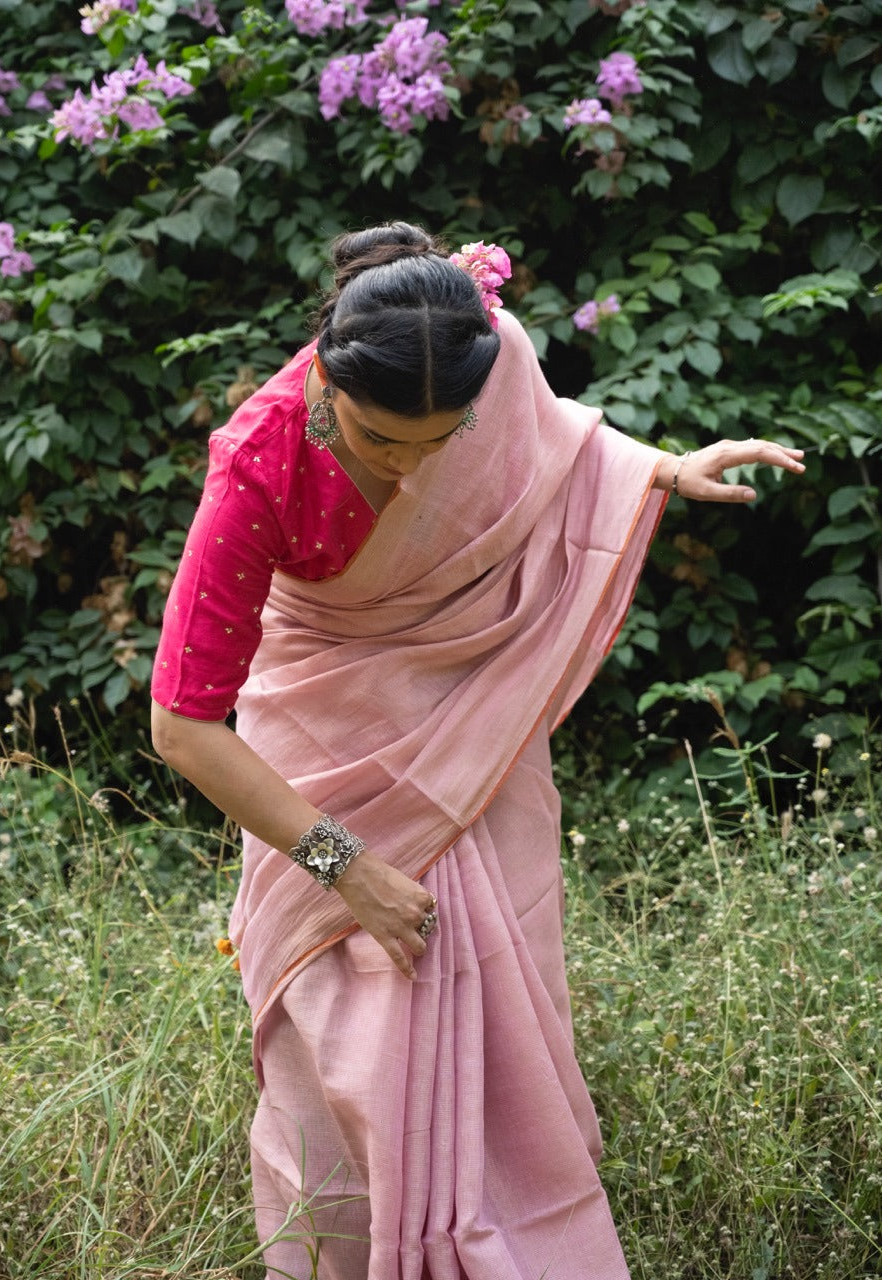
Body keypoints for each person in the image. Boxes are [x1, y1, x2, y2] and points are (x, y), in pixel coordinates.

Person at [150, 221, 805, 1280]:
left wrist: (665, 471)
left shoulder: (477, 351)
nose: (407, 471)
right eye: (376, 442)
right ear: (322, 373)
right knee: (346, 1054)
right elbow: (181, 723)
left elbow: (550, 445)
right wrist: (346, 866)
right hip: (319, 763)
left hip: (472, 738)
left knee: (499, 1028)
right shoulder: (258, 464)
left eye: (435, 444)